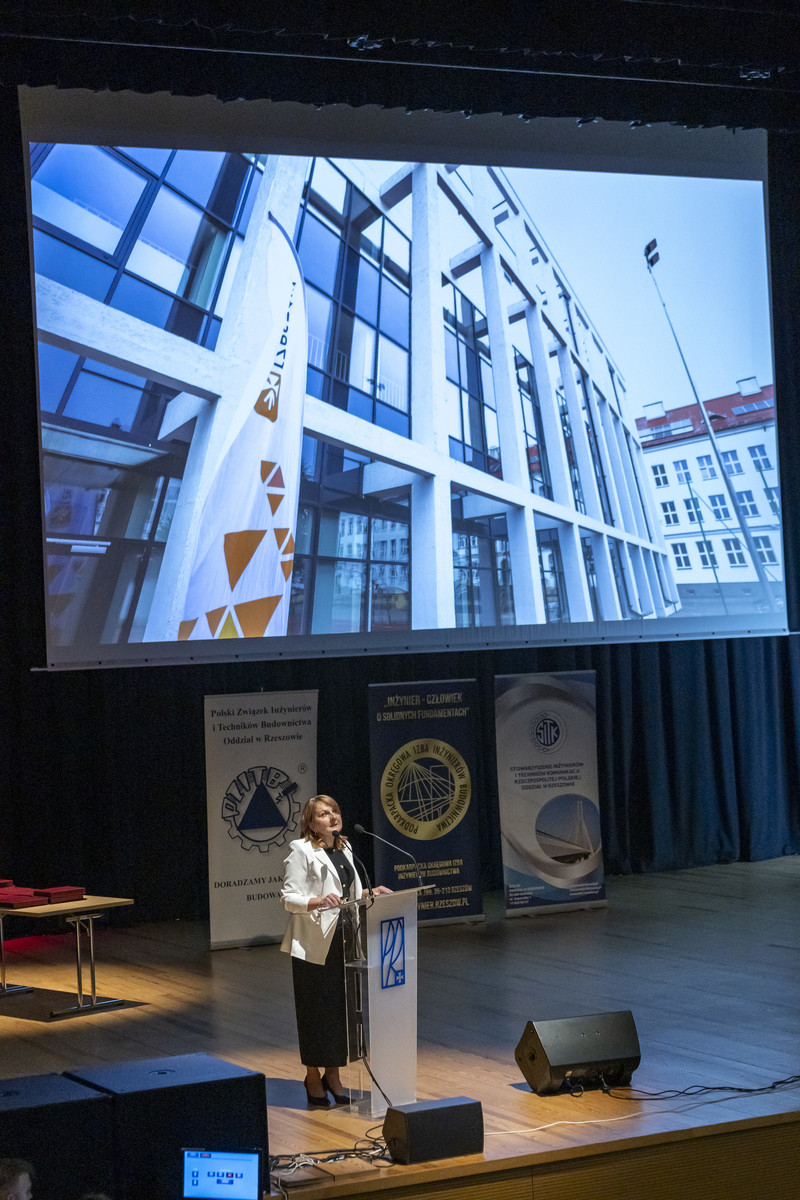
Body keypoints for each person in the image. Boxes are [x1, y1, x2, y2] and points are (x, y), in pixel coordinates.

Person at [281, 794, 390, 1106]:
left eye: (334, 811)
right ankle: (312, 1075)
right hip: (315, 944)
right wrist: (318, 901)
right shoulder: (301, 850)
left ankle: (333, 1074)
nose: (332, 817)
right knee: (316, 1012)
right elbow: (289, 898)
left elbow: (346, 895)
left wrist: (369, 892)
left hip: (346, 940)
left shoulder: (345, 848)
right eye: (323, 814)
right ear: (311, 824)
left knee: (341, 1012)